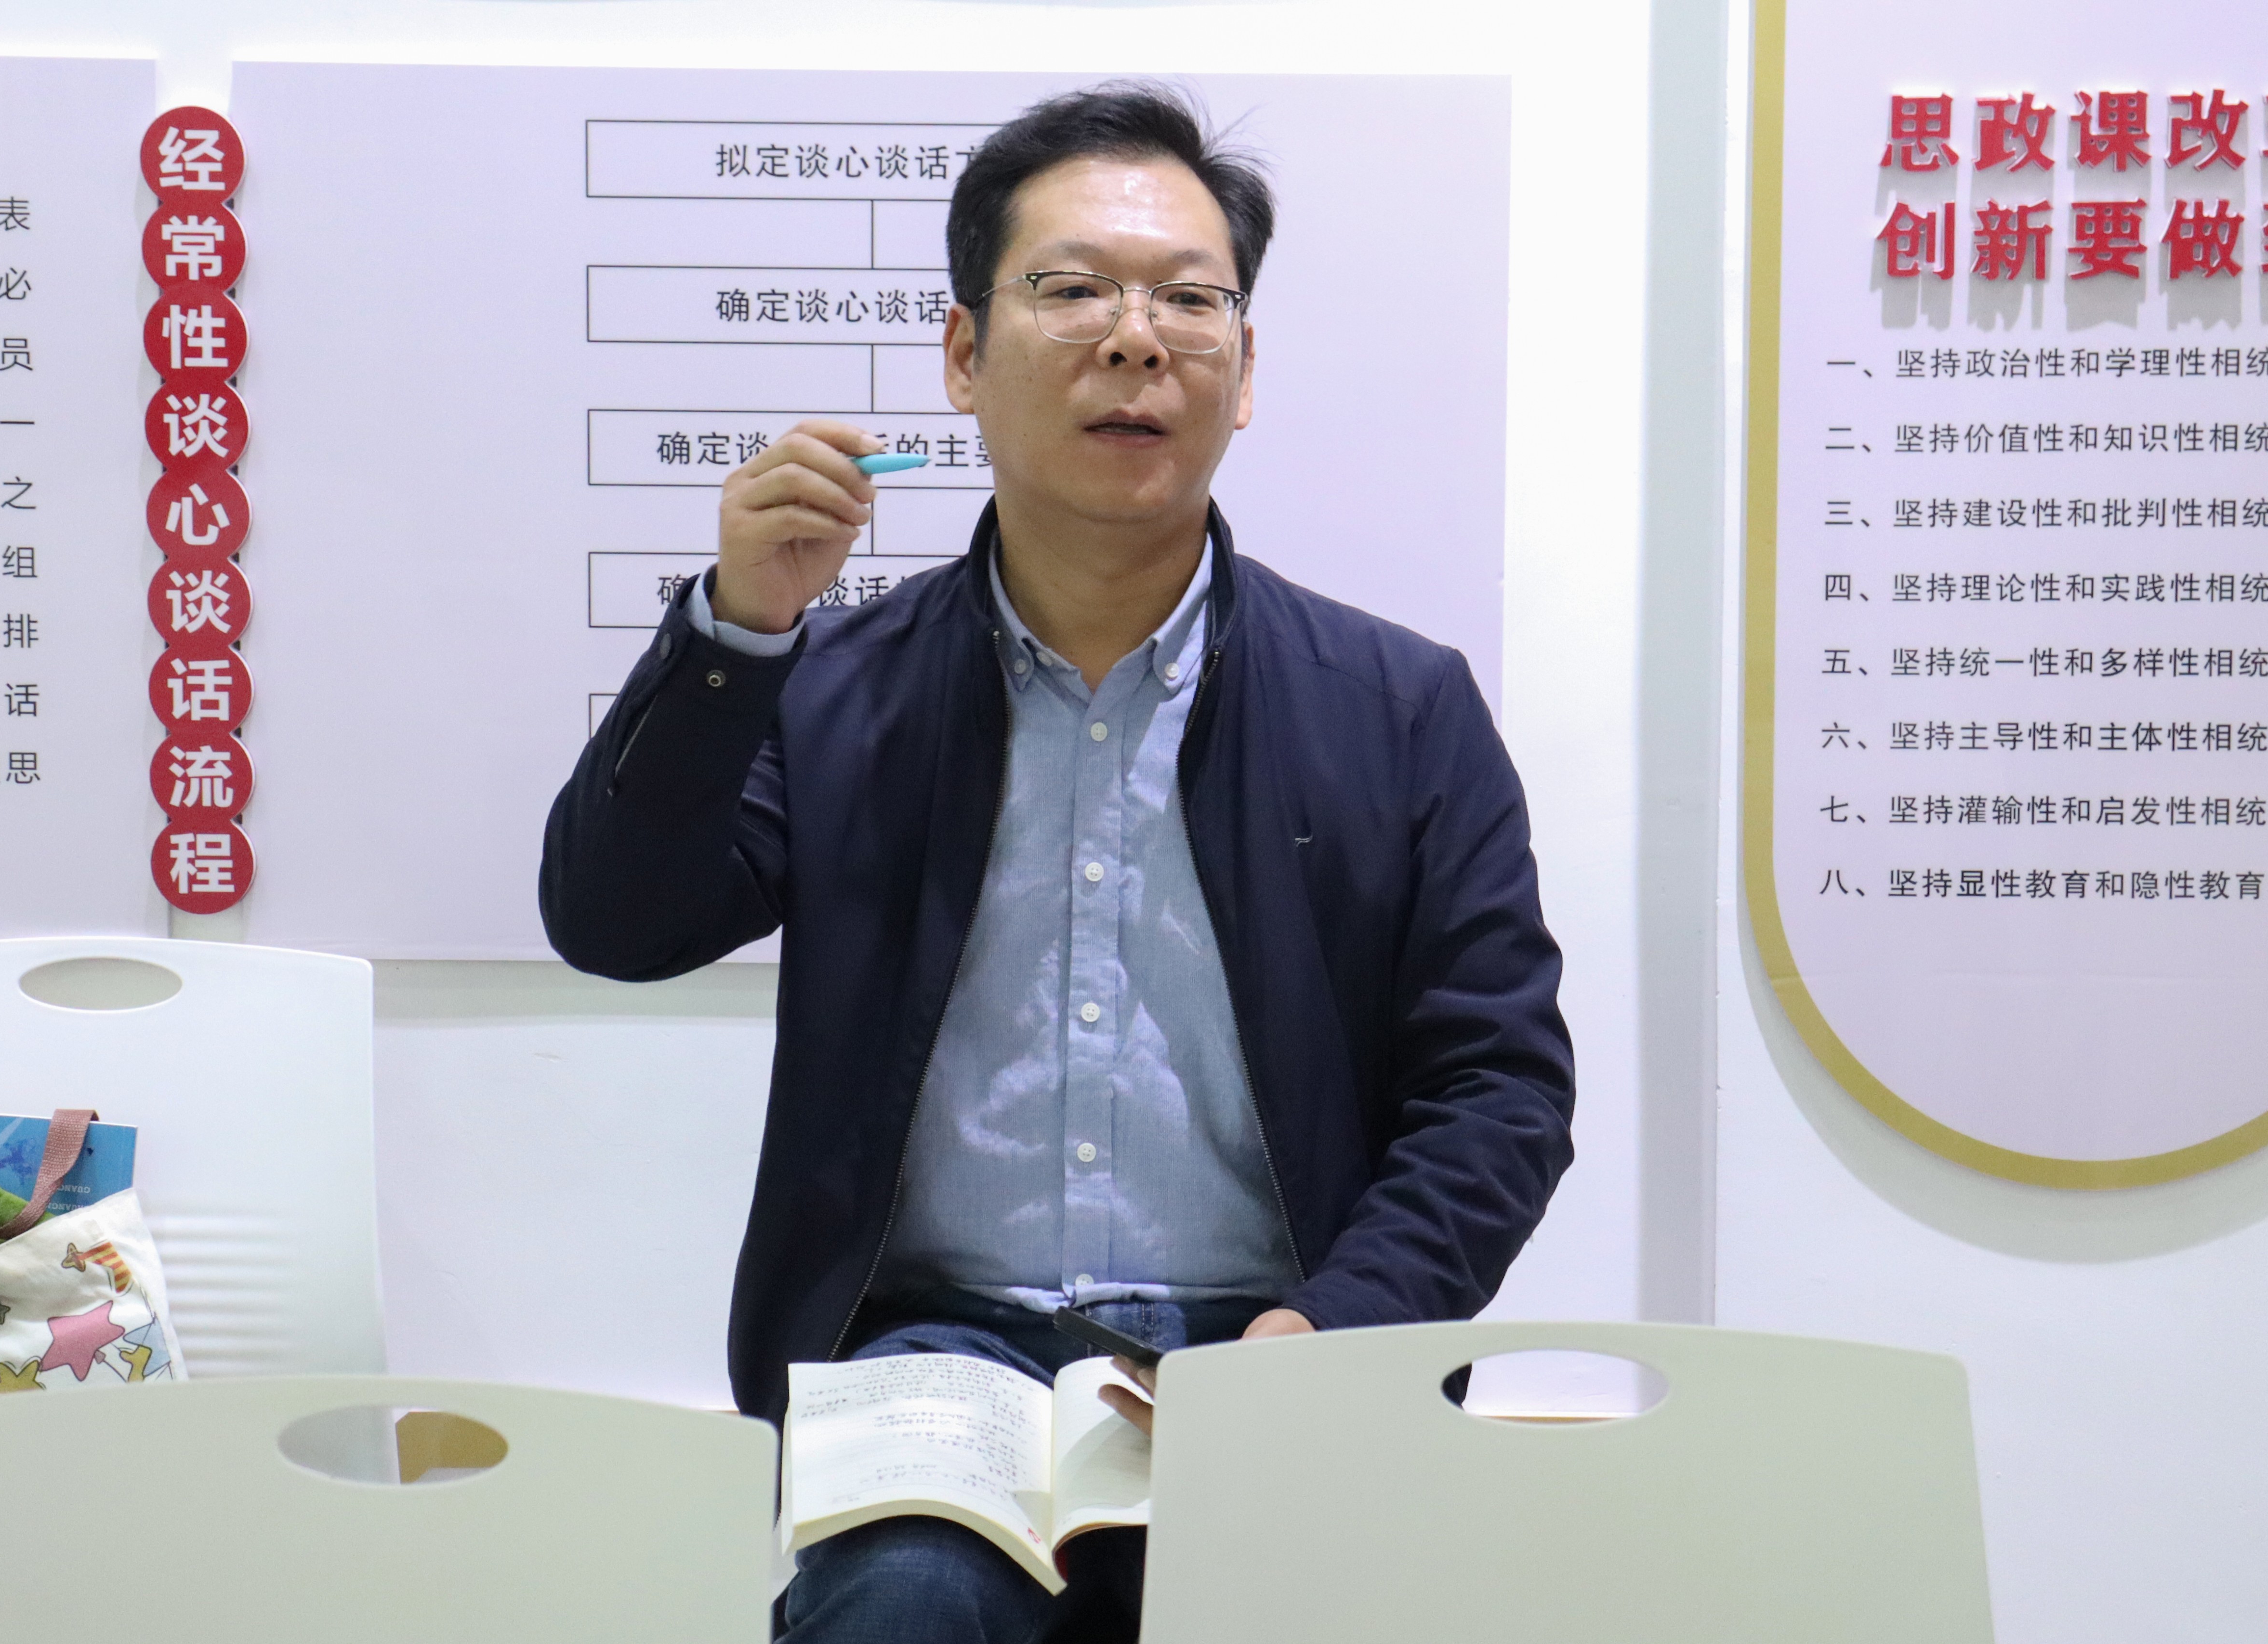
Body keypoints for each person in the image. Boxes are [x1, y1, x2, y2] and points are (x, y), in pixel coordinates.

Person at [540, 82, 1573, 1643]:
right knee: (899, 1605)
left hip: (1267, 1356)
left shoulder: (1397, 708)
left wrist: (1335, 1326)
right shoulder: (834, 689)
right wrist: (736, 633)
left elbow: (1500, 1088)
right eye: (1075, 289)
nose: (1136, 340)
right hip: (932, 1361)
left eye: (1189, 301)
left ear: (1245, 372)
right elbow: (616, 919)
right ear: (965, 356)